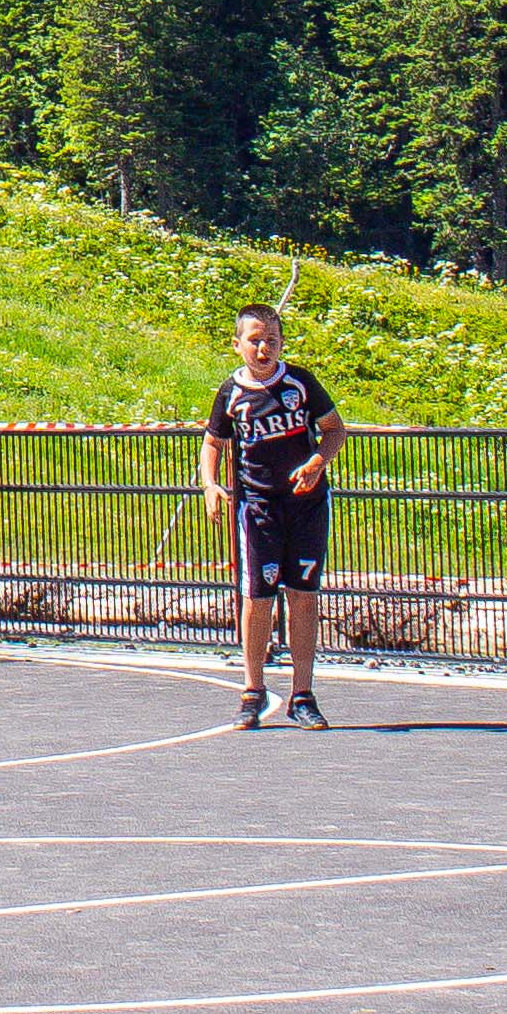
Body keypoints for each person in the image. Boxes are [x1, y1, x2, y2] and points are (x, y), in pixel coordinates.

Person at [200, 303, 343, 730]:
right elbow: (213, 442)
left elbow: (335, 430)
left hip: (306, 504)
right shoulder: (231, 391)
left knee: (302, 594)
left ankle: (303, 694)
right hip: (257, 507)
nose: (264, 349)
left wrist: (318, 461)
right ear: (238, 344)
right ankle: (252, 691)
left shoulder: (299, 382)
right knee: (257, 597)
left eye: (272, 341)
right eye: (256, 341)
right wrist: (210, 484)